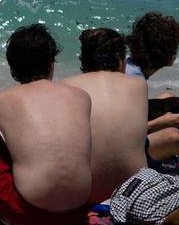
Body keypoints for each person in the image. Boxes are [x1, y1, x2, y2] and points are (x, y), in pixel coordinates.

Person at [0, 25, 93, 225]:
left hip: (27, 215)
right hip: (78, 215)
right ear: (51, 63)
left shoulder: (1, 101)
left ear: (12, 68)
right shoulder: (81, 96)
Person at [60, 28, 151, 202]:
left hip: (87, 194)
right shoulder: (139, 84)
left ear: (84, 59)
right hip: (134, 191)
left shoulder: (65, 87)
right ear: (120, 59)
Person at [126, 11, 179, 160]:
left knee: (169, 97)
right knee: (176, 137)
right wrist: (162, 123)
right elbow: (125, 133)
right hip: (122, 152)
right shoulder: (133, 80)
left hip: (122, 138)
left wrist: (168, 105)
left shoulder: (129, 65)